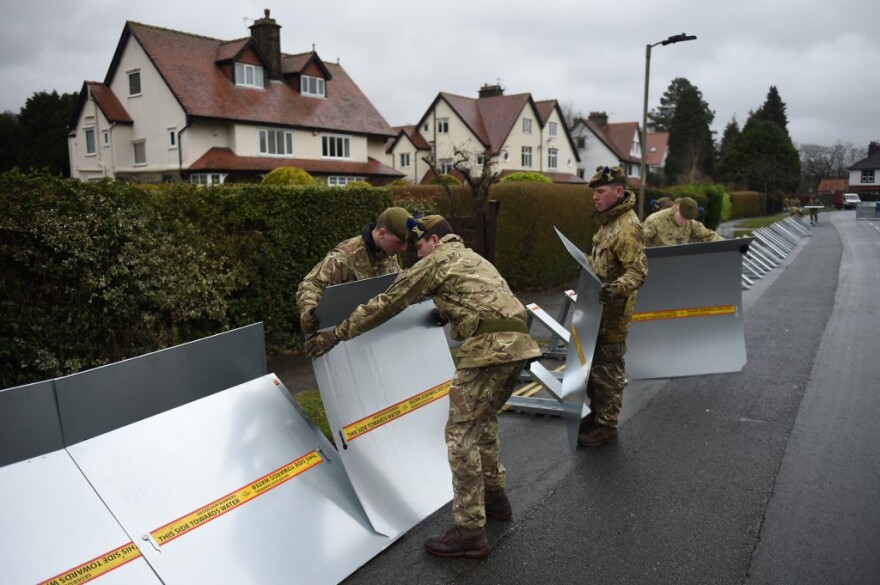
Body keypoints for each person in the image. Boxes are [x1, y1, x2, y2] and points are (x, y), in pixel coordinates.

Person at [304, 215, 541, 559]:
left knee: (460, 435)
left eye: (418, 247)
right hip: (519, 344)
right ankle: (496, 499)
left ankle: (470, 530)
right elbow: (478, 298)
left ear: (433, 240)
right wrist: (447, 313)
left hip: (488, 349)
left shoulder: (435, 261)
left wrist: (335, 335)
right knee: (483, 422)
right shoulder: (473, 257)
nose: (415, 254)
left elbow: (388, 302)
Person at [578, 165, 648, 447]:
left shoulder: (627, 227)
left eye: (601, 191)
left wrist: (613, 288)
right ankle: (597, 416)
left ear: (618, 192)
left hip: (614, 313)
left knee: (608, 370)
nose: (595, 197)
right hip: (598, 310)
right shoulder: (608, 223)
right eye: (594, 192)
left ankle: (607, 426)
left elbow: (638, 271)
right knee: (596, 369)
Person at [295, 207, 412, 334]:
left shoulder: (389, 255)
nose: (404, 248)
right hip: (343, 337)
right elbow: (311, 284)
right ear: (382, 233)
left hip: (375, 334)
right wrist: (310, 312)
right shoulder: (345, 256)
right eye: (399, 242)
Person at [642, 196, 724, 247]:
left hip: (682, 261)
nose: (685, 222)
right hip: (660, 262)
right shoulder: (655, 220)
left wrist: (729, 245)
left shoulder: (691, 223)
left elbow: (708, 235)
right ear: (676, 208)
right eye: (683, 217)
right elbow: (638, 241)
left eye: (688, 219)